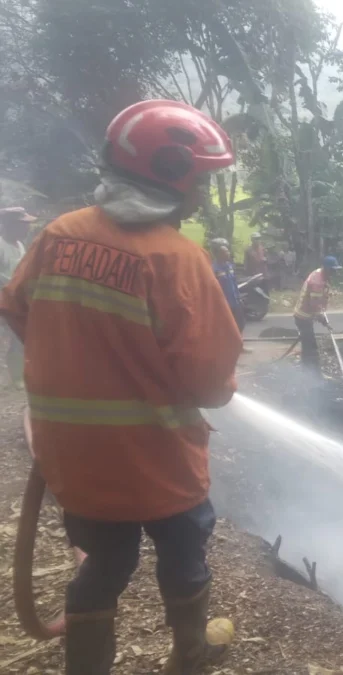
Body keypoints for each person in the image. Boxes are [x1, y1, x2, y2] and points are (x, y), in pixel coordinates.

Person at [0, 100, 243, 675]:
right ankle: (190, 655)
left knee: (104, 564)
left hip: (77, 461)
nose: (203, 194)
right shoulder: (177, 258)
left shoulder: (58, 235)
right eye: (201, 181)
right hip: (161, 463)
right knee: (183, 558)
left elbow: (18, 309)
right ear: (171, 172)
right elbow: (210, 384)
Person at [0, 207, 35, 387]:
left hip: (14, 298)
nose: (26, 228)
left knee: (16, 337)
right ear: (10, 226)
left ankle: (16, 376)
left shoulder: (19, 245)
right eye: (23, 225)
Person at [293, 255, 341, 372]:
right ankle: (310, 374)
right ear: (326, 268)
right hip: (303, 317)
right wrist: (325, 322)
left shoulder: (319, 273)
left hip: (305, 315)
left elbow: (318, 303)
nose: (335, 272)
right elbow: (315, 307)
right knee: (310, 349)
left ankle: (309, 370)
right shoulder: (317, 282)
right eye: (333, 270)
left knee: (308, 345)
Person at [209, 237, 244, 333]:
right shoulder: (214, 269)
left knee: (240, 325)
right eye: (225, 252)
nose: (228, 253)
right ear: (218, 254)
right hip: (224, 304)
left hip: (235, 302)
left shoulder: (230, 266)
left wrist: (239, 298)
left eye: (228, 251)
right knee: (227, 329)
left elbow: (234, 283)